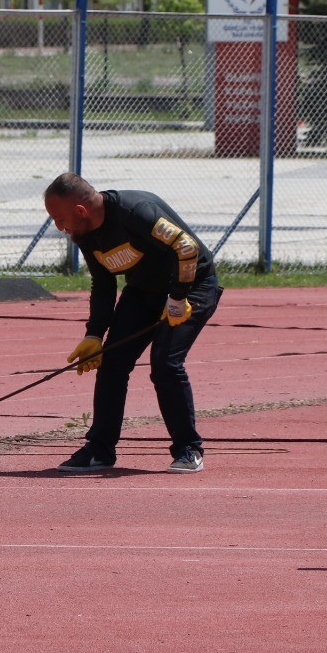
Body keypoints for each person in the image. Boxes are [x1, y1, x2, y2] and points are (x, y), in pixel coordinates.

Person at [42, 171, 223, 474]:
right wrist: (95, 334)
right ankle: (100, 450)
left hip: (192, 285)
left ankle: (188, 449)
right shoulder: (86, 234)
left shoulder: (136, 212)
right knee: (112, 362)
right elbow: (103, 284)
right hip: (144, 291)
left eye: (59, 219)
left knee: (165, 363)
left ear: (80, 211)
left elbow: (186, 248)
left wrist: (177, 298)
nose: (60, 228)